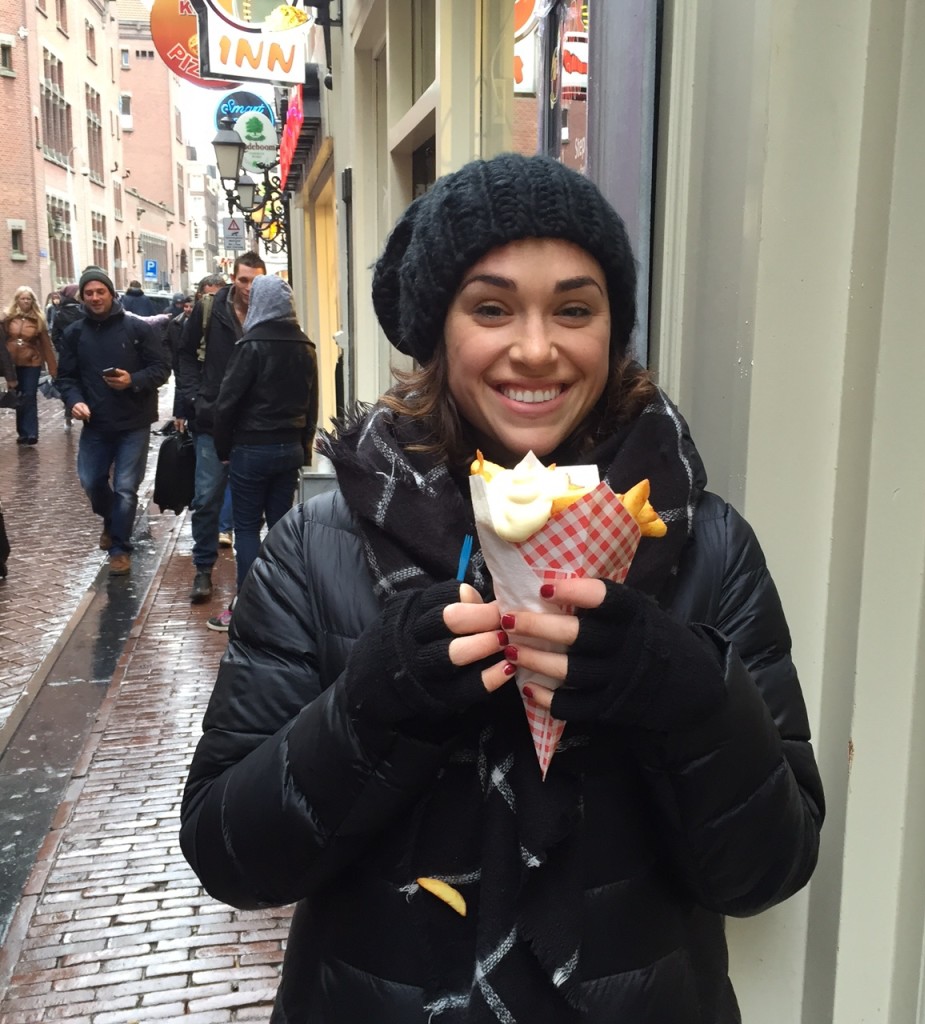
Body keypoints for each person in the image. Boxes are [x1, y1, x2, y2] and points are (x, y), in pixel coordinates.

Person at [179, 154, 825, 1024]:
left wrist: (684, 691)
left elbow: (768, 870)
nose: (534, 347)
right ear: (439, 332)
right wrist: (375, 704)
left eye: (574, 309)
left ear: (612, 329)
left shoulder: (703, 544)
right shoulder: (322, 546)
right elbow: (231, 854)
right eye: (491, 308)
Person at [204, 275, 318, 632]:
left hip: (252, 448)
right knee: (282, 529)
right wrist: (304, 448)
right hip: (288, 449)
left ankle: (247, 607)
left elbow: (227, 403)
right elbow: (312, 404)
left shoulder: (250, 344)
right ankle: (282, 606)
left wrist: (224, 448)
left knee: (248, 528)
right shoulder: (306, 346)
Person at [56, 267, 170, 576]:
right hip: (96, 423)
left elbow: (161, 368)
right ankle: (111, 519)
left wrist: (132, 379)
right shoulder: (74, 333)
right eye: (89, 293)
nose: (94, 297)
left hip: (133, 422)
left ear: (111, 293)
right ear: (82, 297)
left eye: (100, 291)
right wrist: (75, 400)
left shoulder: (137, 329)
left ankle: (120, 547)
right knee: (91, 480)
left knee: (125, 488)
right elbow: (65, 378)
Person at [174, 254, 264, 606]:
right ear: (233, 277)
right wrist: (195, 399)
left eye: (255, 281)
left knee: (248, 503)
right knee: (208, 496)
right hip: (211, 419)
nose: (249, 288)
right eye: (243, 281)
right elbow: (184, 353)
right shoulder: (211, 308)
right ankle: (203, 569)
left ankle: (253, 582)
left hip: (252, 422)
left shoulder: (268, 309)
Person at [3, 286, 58, 445]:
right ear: (17, 300)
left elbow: (46, 345)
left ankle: (32, 432)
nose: (26, 301)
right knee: (18, 396)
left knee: (29, 395)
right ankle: (22, 432)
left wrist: (53, 368)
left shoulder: (38, 319)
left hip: (31, 362)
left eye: (29, 299)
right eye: (23, 298)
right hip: (13, 364)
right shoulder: (9, 318)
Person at [50, 283, 85, 433]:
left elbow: (55, 335)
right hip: (84, 354)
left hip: (67, 355)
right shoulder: (83, 312)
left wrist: (62, 349)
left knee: (69, 383)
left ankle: (68, 415)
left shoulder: (59, 313)